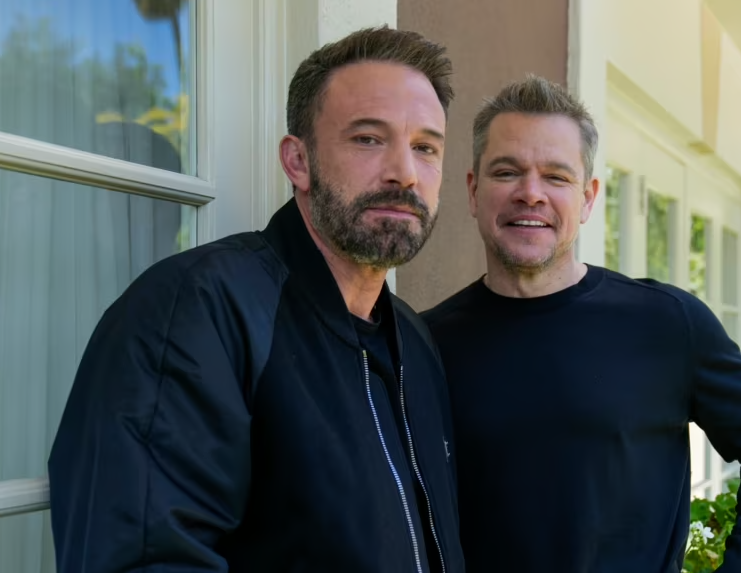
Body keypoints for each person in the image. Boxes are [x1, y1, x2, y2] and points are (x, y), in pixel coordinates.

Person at [48, 26, 464, 573]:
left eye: (425, 147)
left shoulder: (413, 340)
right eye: (368, 138)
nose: (404, 173)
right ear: (298, 161)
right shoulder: (195, 311)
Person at [422, 75, 741, 573]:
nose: (531, 193)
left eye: (557, 177)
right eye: (507, 172)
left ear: (587, 198)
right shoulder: (426, 343)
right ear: (474, 191)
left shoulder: (664, 323)